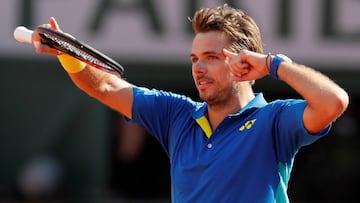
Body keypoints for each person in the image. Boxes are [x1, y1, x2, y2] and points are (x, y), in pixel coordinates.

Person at [31, 4, 349, 203]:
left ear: (244, 62)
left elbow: (333, 102)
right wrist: (67, 53)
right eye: (194, 58)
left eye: (211, 58)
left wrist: (273, 64)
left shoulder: (274, 120)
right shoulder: (177, 115)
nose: (198, 68)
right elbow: (104, 85)